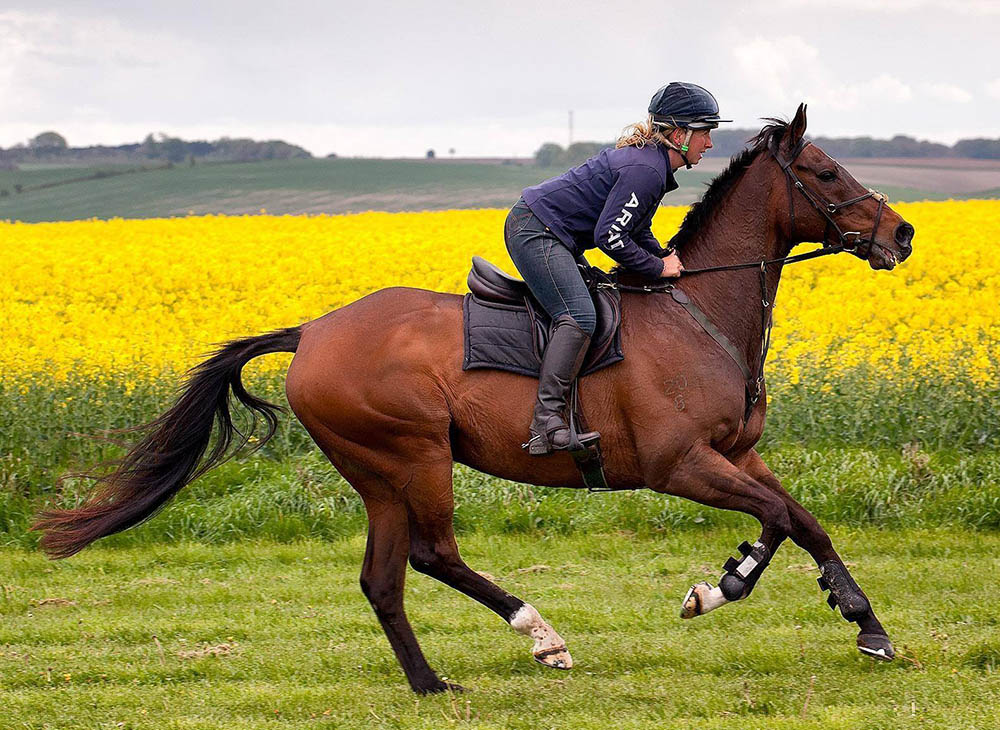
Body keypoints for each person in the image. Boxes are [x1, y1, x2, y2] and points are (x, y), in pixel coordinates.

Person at [506, 82, 732, 456]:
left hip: (552, 232)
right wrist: (657, 268)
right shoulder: (645, 169)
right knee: (579, 315)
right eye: (704, 132)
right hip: (536, 231)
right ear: (679, 134)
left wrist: (663, 256)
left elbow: (635, 227)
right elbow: (610, 237)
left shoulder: (653, 166)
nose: (708, 143)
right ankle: (546, 423)